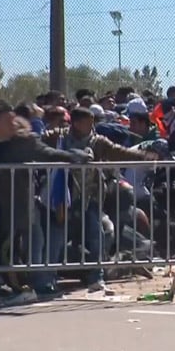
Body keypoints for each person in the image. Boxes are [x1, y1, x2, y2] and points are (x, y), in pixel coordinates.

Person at [0, 101, 89, 302]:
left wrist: (72, 157)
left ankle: (21, 289)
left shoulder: (25, 140)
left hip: (18, 203)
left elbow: (47, 153)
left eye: (13, 118)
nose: (13, 123)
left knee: (9, 247)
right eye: (7, 120)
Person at [40, 107, 156, 294]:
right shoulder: (58, 137)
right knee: (56, 239)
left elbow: (118, 152)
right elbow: (38, 143)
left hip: (90, 199)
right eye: (87, 122)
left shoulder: (97, 142)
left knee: (98, 235)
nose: (91, 126)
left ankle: (96, 277)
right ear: (76, 123)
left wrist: (143, 157)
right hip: (62, 199)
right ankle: (48, 279)